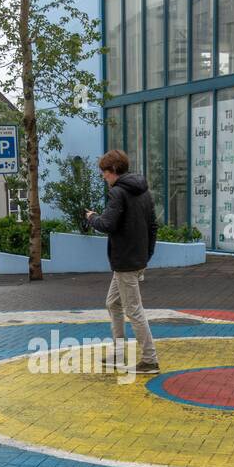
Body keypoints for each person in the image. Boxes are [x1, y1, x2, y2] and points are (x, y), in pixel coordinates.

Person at [85, 149, 159, 374]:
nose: (103, 176)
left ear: (114, 171)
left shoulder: (118, 193)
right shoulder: (143, 192)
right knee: (113, 303)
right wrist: (146, 255)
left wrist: (91, 218)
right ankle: (118, 353)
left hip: (125, 261)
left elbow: (107, 224)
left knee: (133, 310)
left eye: (104, 172)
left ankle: (150, 359)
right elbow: (153, 226)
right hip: (134, 259)